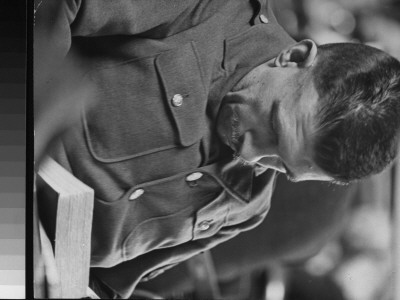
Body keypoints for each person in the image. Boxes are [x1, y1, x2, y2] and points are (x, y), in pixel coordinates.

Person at [34, 0, 400, 298]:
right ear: (294, 58)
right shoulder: (206, 10)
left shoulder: (246, 206)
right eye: (274, 126)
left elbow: (107, 283)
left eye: (280, 166)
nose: (252, 155)